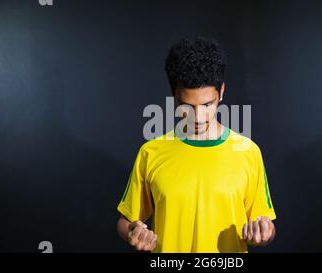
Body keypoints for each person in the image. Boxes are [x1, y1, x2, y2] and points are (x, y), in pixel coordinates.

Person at [116, 37, 276, 253]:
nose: (198, 117)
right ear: (174, 96)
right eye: (187, 106)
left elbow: (266, 226)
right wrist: (132, 233)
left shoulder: (248, 152)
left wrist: (263, 232)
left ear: (221, 92)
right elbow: (125, 221)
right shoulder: (151, 152)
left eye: (207, 104)